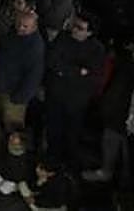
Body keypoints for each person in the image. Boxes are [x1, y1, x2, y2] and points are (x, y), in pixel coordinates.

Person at [43, 13, 104, 167]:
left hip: (76, 103)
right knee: (53, 133)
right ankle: (50, 164)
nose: (74, 29)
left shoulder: (96, 49)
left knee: (71, 137)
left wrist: (64, 70)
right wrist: (77, 71)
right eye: (74, 25)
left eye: (80, 28)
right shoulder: (63, 38)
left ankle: (67, 169)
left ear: (89, 33)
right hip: (56, 96)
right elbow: (51, 61)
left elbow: (92, 78)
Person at [0, 9, 45, 131]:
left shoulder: (35, 47)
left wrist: (17, 98)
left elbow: (33, 78)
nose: (20, 28)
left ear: (34, 27)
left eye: (25, 26)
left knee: (12, 128)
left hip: (13, 97)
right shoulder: (13, 33)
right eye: (18, 24)